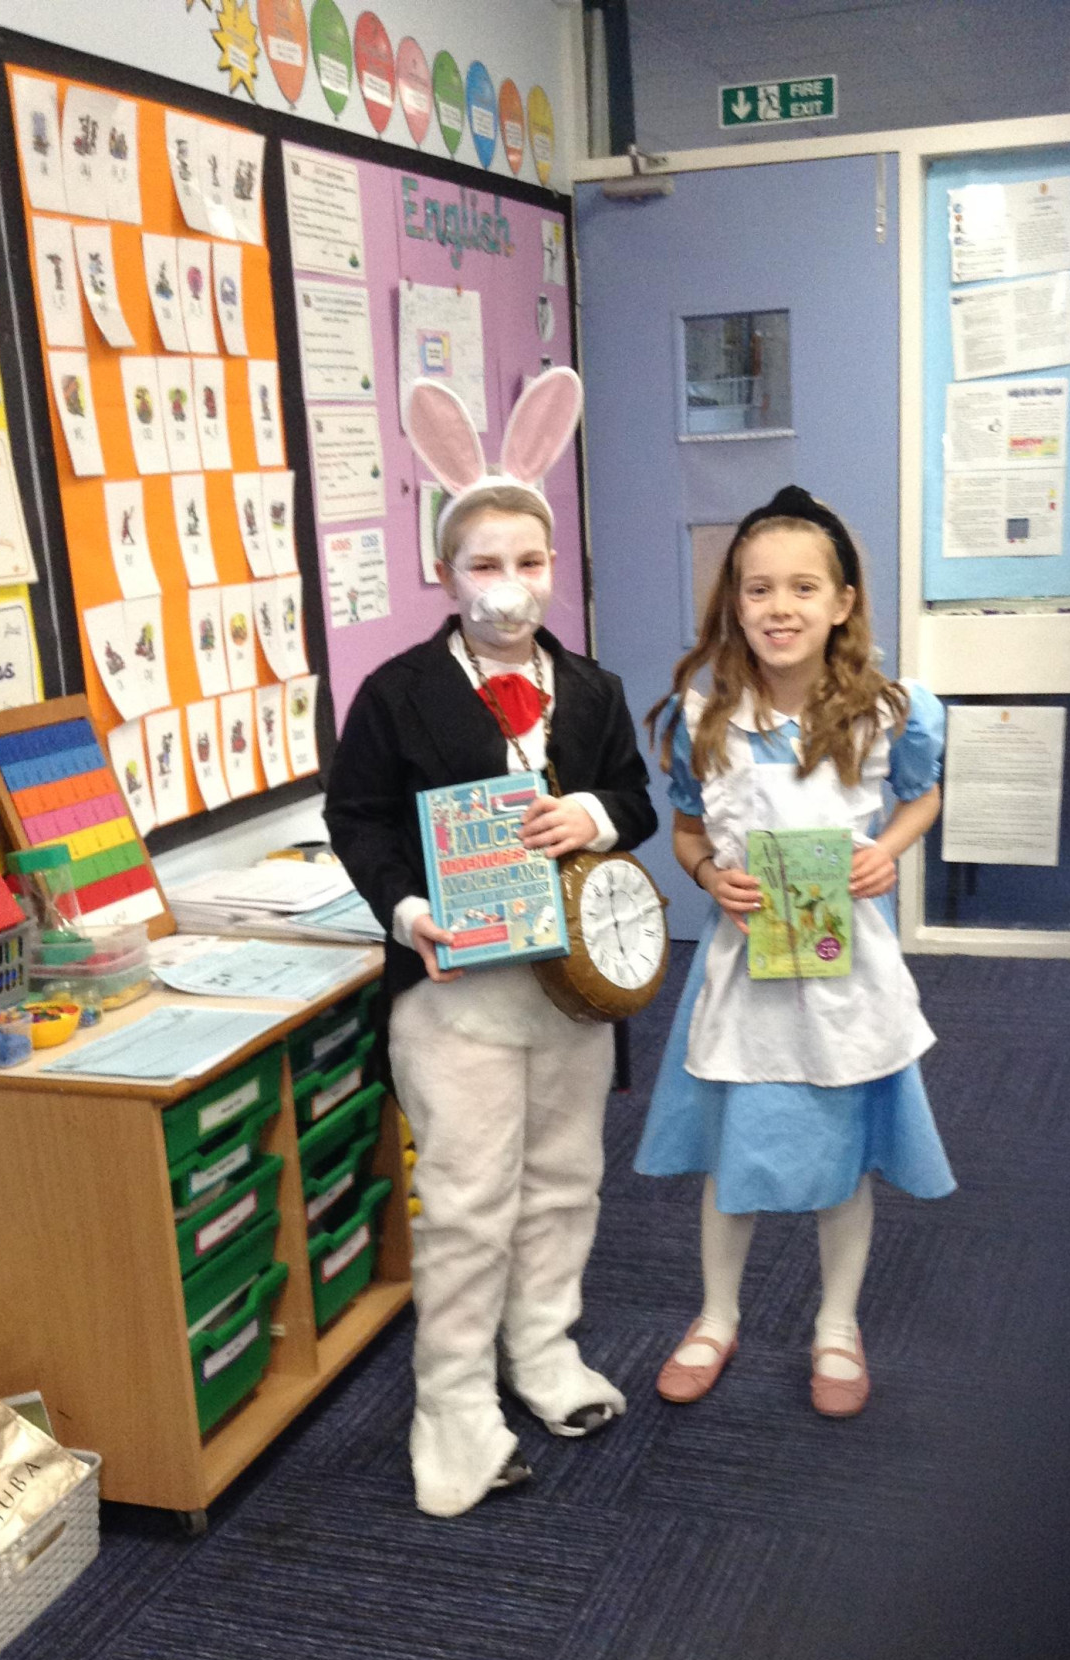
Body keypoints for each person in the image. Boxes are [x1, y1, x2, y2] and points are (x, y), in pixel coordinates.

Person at [325, 368, 657, 1518]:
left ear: (554, 564)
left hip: (571, 989)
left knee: (565, 1180)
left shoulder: (593, 688)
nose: (508, 586)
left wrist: (596, 814)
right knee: (469, 1199)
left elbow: (637, 796)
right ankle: (454, 1405)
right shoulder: (396, 692)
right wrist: (404, 906)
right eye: (482, 564)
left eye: (527, 561)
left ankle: (545, 1350)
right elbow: (358, 815)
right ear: (444, 572)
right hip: (455, 988)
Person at [634, 485, 954, 1416]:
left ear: (843, 602)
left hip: (846, 970)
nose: (781, 608)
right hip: (745, 974)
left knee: (841, 1157)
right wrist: (707, 877)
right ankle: (717, 1316)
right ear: (735, 604)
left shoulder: (892, 712)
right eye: (759, 589)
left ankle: (836, 1325)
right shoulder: (703, 718)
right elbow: (687, 831)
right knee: (734, 1154)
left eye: (804, 588)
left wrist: (886, 853)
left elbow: (922, 797)